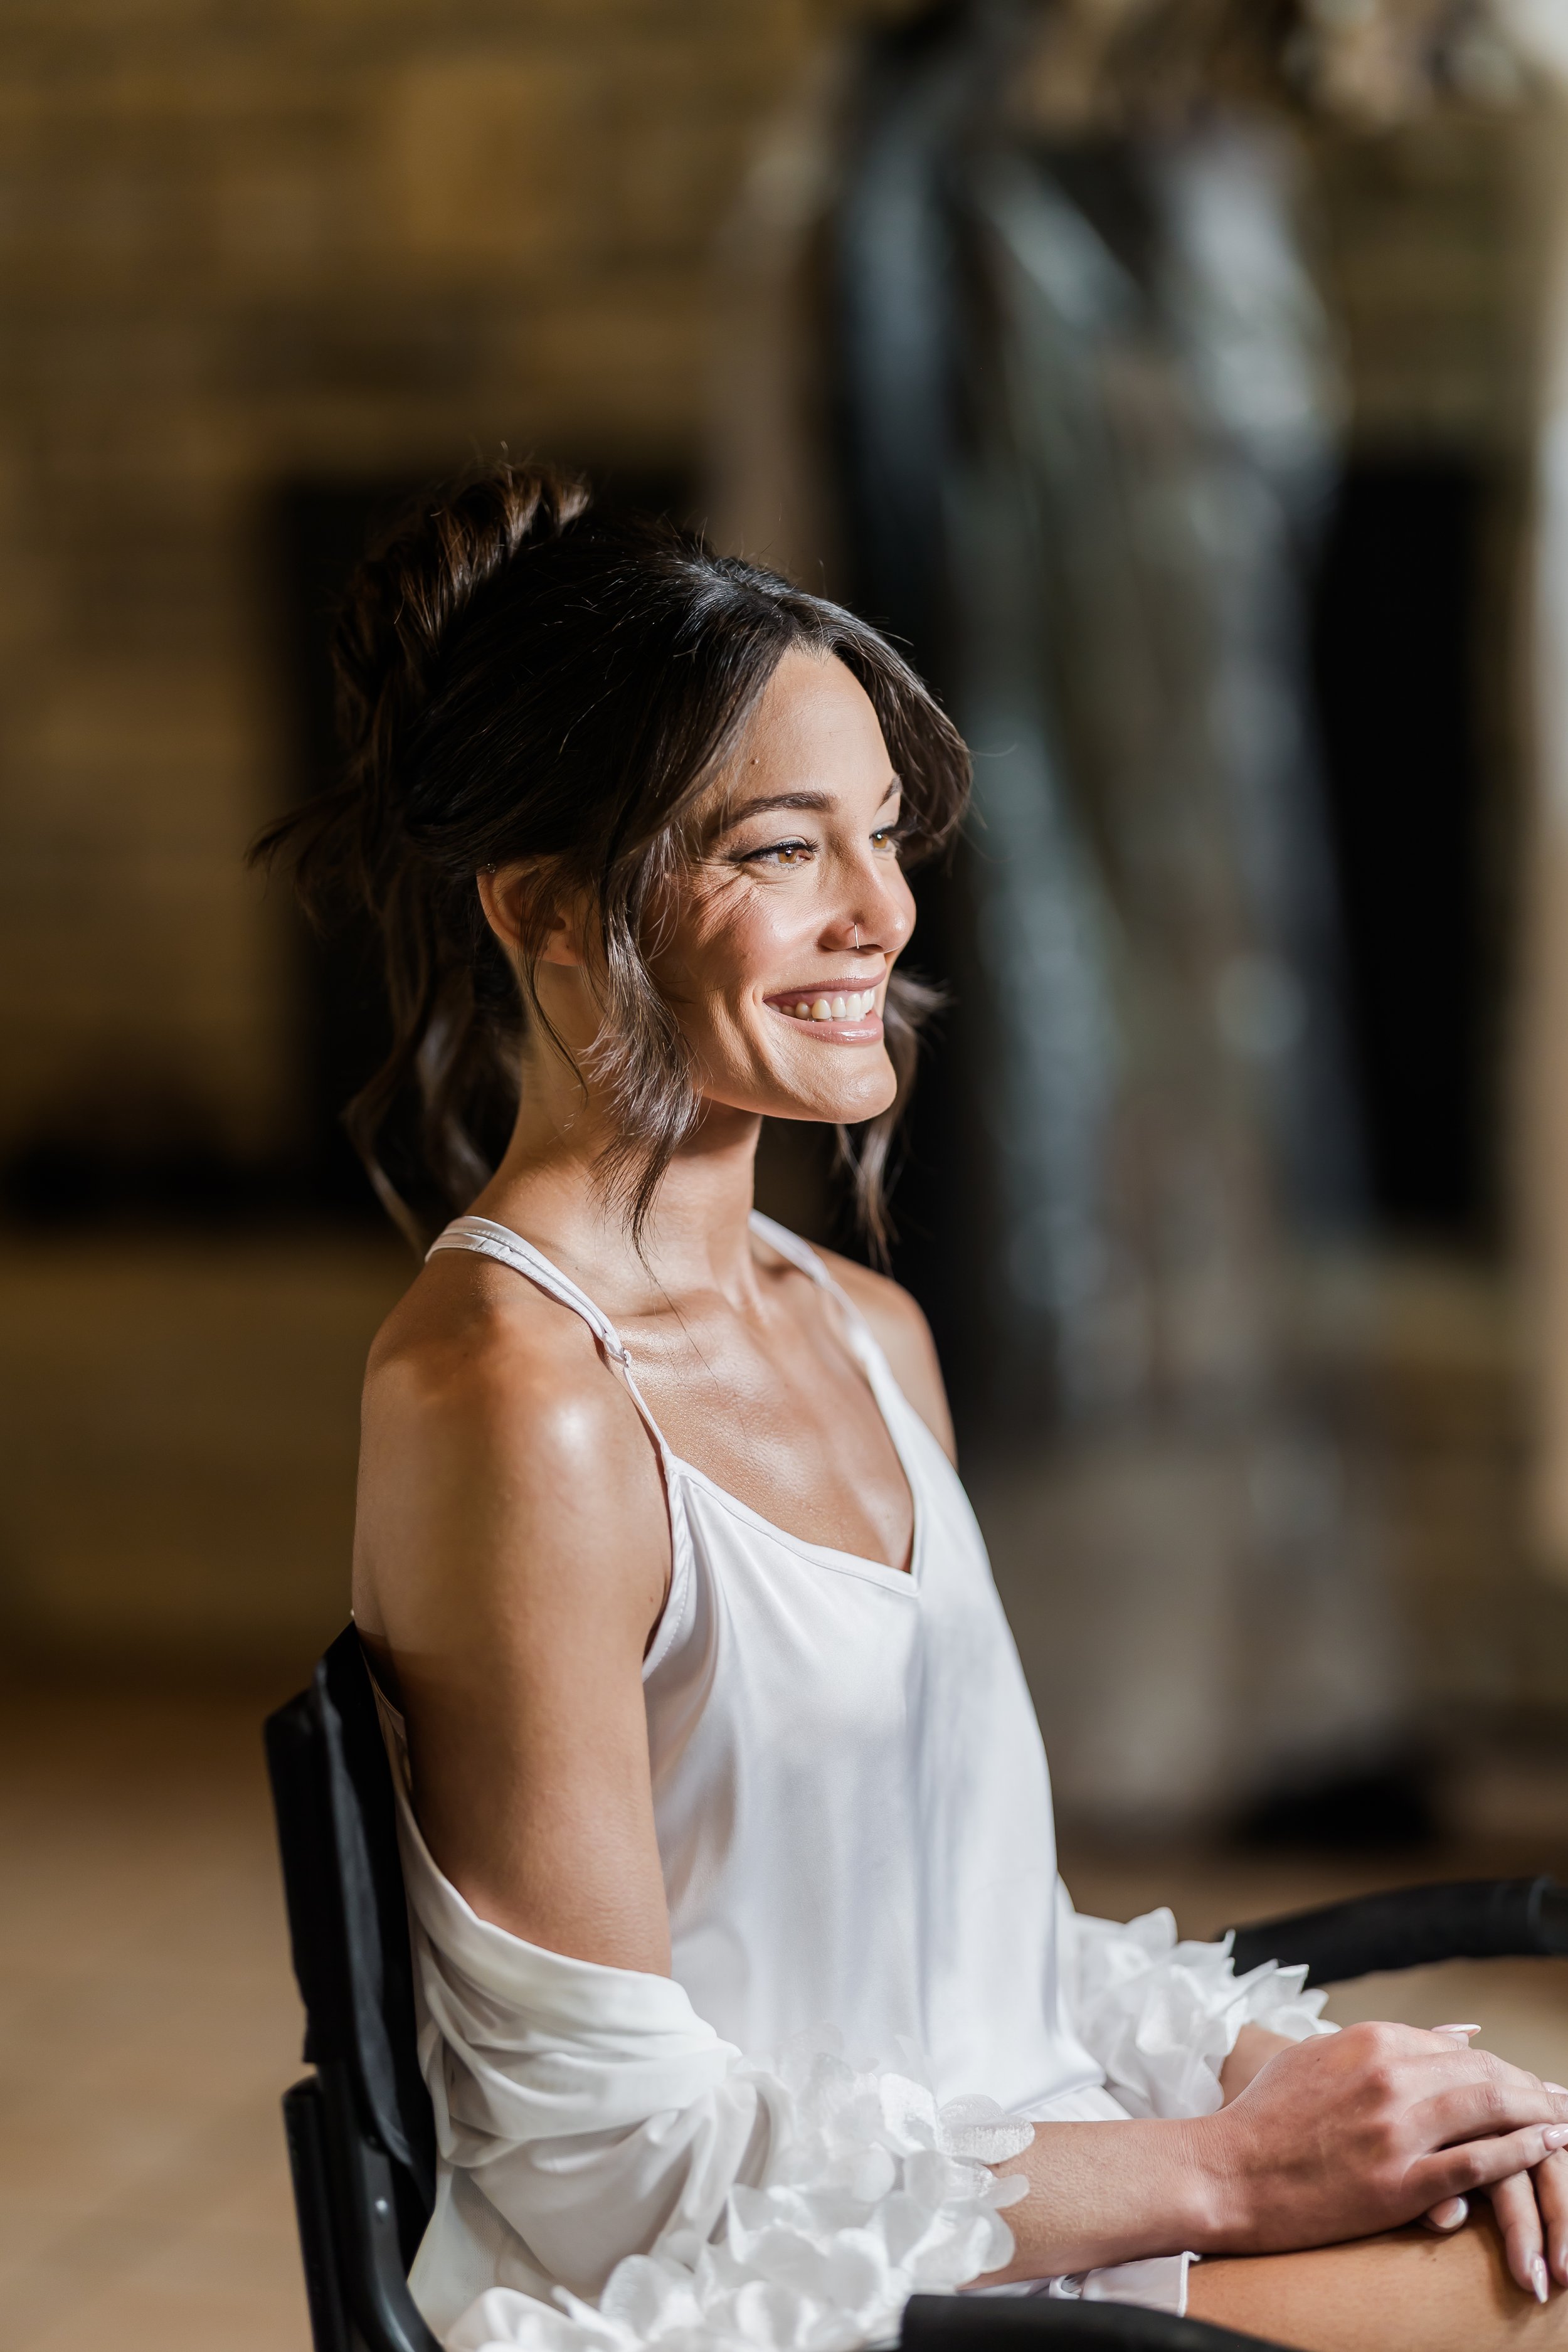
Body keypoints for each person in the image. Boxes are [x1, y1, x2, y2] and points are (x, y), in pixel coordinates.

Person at [259, 463, 1568, 2352]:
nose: (880, 909)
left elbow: (967, 1969)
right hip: (791, 2304)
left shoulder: (868, 1330)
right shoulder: (515, 1399)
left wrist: (1294, 2078)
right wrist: (1227, 2174)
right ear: (546, 909)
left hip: (1005, 2214)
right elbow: (600, 2176)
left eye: (879, 835)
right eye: (780, 849)